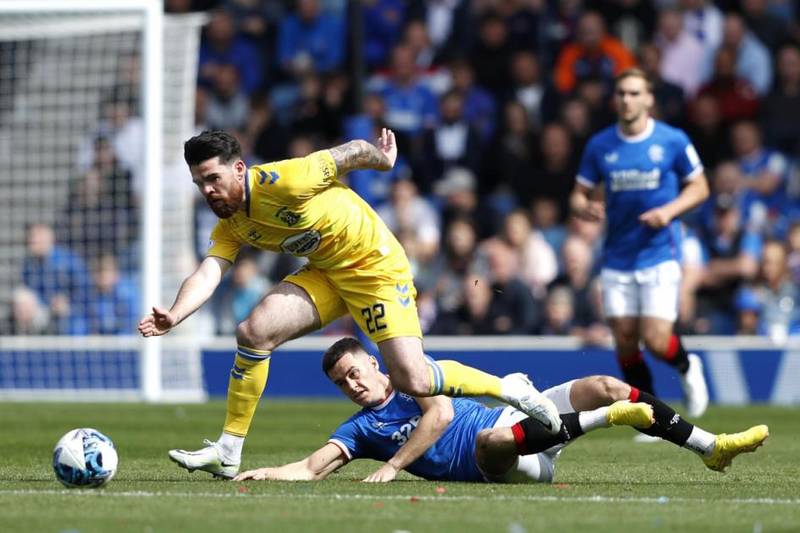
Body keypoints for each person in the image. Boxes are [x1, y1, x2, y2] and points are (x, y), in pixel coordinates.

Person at [142, 129, 561, 479]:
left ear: (239, 168)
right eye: (200, 184)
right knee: (253, 332)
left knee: (413, 379)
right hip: (328, 271)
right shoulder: (231, 221)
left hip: (374, 265)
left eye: (213, 178)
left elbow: (352, 152)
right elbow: (210, 270)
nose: (208, 190)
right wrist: (176, 314)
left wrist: (384, 160)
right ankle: (229, 450)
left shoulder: (287, 179)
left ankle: (509, 388)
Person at [234, 337, 768, 484]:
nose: (352, 385)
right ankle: (608, 421)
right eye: (340, 382)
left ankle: (711, 448)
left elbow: (440, 415)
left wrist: (393, 468)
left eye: (354, 372)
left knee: (606, 383)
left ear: (374, 364)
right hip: (508, 463)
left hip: (518, 422)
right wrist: (264, 472)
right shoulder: (362, 429)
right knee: (487, 443)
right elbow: (310, 468)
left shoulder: (413, 377)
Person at [569, 68, 711, 418]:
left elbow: (700, 187)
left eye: (634, 93)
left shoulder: (672, 140)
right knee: (626, 339)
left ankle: (687, 364)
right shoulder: (601, 145)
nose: (626, 100)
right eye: (621, 93)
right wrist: (584, 207)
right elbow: (577, 194)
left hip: (659, 252)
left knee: (658, 339)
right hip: (617, 256)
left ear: (648, 99)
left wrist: (669, 211)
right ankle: (651, 415)